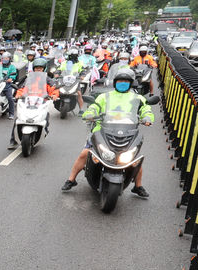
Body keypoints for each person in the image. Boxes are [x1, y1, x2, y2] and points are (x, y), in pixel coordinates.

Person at [60, 69, 153, 197]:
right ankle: (71, 179)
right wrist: (90, 113)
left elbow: (146, 109)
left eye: (126, 81)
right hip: (102, 130)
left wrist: (147, 117)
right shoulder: (105, 96)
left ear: (131, 83)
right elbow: (94, 106)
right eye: (120, 81)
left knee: (135, 159)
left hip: (128, 132)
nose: (122, 83)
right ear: (115, 82)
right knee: (85, 153)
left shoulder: (138, 98)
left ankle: (138, 186)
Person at [8, 59, 58, 149]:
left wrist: (54, 95)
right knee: (18, 119)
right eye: (36, 68)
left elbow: (54, 88)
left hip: (42, 101)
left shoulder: (47, 79)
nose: (38, 69)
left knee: (45, 117)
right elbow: (22, 89)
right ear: (34, 69)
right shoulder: (29, 79)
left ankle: (45, 130)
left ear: (44, 69)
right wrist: (18, 95)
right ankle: (13, 140)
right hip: (28, 100)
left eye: (40, 68)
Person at [0, 52, 17, 119]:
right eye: (3, 58)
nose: (5, 59)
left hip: (7, 85)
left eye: (6, 58)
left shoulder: (12, 67)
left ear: (9, 59)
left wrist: (10, 79)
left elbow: (13, 75)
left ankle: (11, 114)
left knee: (10, 98)